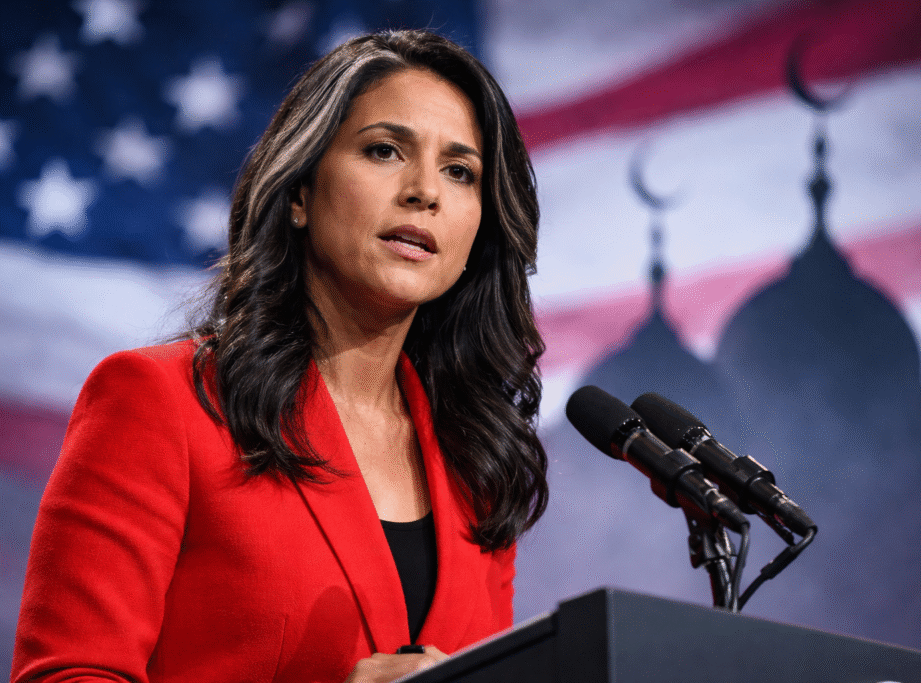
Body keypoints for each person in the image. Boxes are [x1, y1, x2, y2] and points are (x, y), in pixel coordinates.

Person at [11, 29, 548, 683]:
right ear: (300, 192)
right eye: (384, 150)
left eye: (460, 172)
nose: (424, 191)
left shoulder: (477, 465)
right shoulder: (160, 401)